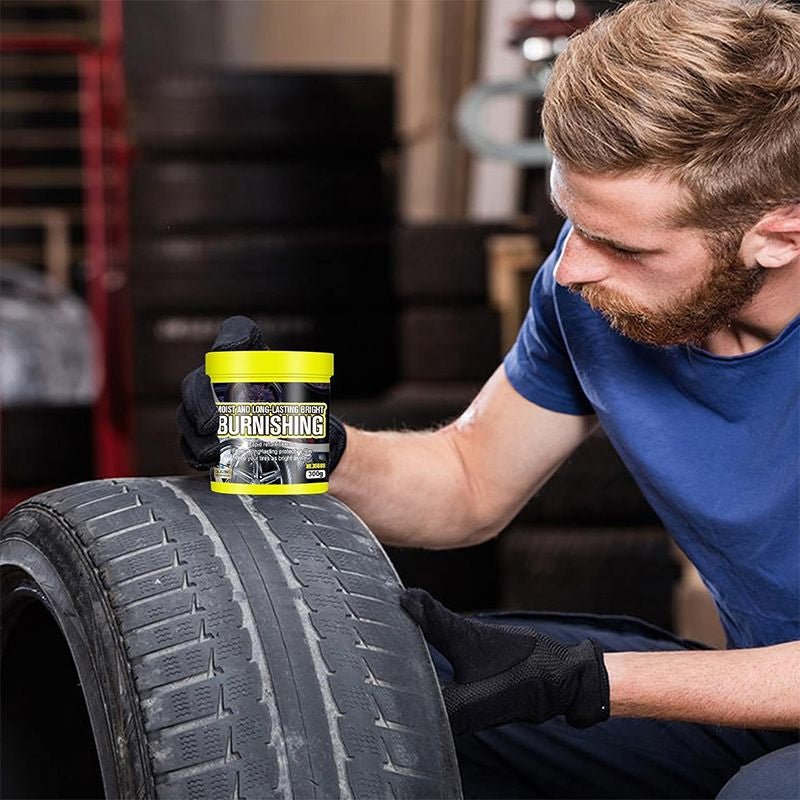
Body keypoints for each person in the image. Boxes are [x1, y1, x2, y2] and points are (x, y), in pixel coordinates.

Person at [178, 0, 800, 796]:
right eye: (570, 221)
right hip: (763, 703)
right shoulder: (589, 296)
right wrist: (287, 445)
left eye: (623, 245)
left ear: (779, 234)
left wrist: (591, 680)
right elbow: (471, 482)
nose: (572, 268)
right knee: (385, 692)